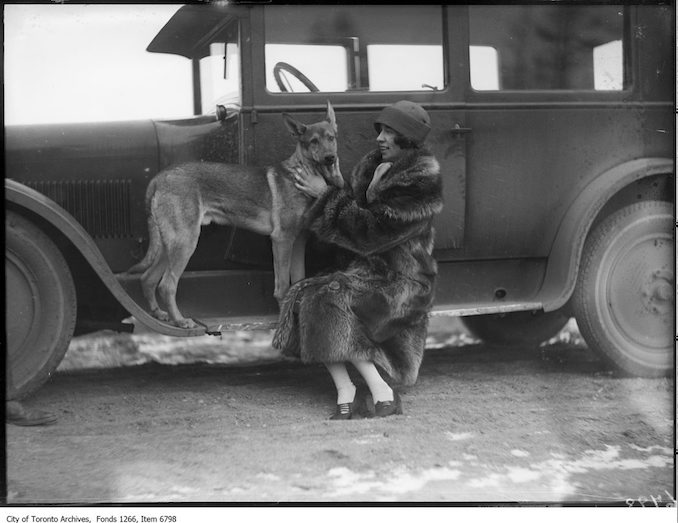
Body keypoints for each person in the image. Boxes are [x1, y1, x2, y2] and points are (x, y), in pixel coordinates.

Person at [273, 100, 443, 419]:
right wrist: (336, 188)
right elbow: (353, 217)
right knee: (300, 296)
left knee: (328, 299)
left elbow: (372, 232)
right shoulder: (373, 166)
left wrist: (325, 194)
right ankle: (346, 388)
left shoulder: (420, 180)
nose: (379, 138)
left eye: (390, 132)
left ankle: (381, 391)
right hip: (366, 270)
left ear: (408, 139)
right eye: (381, 130)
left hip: (402, 279)